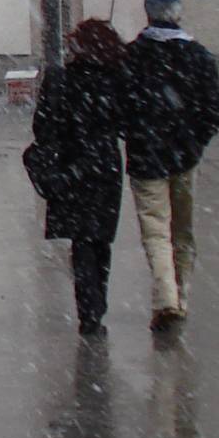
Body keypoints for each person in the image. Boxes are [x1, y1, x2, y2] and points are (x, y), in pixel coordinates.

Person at [120, 0, 219, 332]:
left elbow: (120, 107)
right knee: (183, 230)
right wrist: (193, 142)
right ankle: (181, 296)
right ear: (177, 15)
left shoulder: (132, 56)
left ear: (148, 15)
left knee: (155, 231)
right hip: (184, 157)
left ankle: (166, 298)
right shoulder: (198, 56)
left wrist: (135, 132)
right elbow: (213, 110)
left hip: (145, 157)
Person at [28, 19, 131, 336]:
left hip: (71, 165)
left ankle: (89, 309)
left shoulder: (60, 79)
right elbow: (126, 125)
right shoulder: (117, 79)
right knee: (100, 239)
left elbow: (42, 127)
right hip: (105, 167)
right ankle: (96, 305)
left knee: (81, 240)